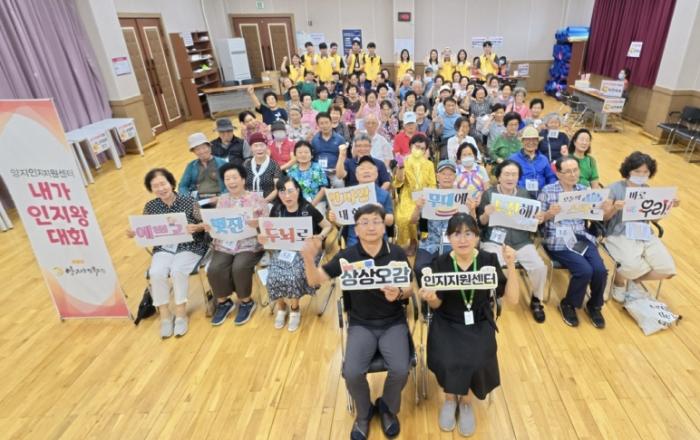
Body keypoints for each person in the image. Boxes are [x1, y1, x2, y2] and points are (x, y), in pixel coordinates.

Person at [302, 203, 414, 440]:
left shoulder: (397, 253)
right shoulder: (347, 256)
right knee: (351, 372)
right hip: (361, 324)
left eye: (376, 222)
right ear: (356, 229)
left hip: (393, 322)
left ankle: (387, 407)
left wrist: (400, 293)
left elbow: (410, 287)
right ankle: (364, 412)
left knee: (401, 369)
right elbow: (315, 280)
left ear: (384, 227)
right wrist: (308, 259)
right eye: (364, 222)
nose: (371, 227)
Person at [419, 213, 517, 436]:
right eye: (456, 234)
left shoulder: (488, 260)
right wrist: (431, 298)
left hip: (479, 321)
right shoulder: (440, 262)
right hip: (447, 321)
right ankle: (450, 399)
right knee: (447, 358)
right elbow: (436, 305)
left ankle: (465, 402)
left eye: (468, 233)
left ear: (477, 236)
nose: (462, 239)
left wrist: (511, 265)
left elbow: (513, 299)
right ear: (448, 237)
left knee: (476, 359)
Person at [127, 168, 208, 338]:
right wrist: (135, 232)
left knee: (178, 270)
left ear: (171, 183)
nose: (161, 188)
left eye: (163, 184)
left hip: (190, 245)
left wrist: (197, 227)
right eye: (155, 186)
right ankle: (165, 315)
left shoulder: (188, 201)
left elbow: (206, 224)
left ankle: (181, 313)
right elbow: (146, 229)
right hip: (164, 247)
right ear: (151, 189)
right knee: (156, 272)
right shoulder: (151, 206)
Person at [538, 157, 609, 328]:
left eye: (575, 170)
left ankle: (594, 305)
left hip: (581, 236)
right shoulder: (547, 191)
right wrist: (549, 214)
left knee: (600, 270)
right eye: (568, 171)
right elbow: (537, 219)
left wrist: (602, 209)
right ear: (558, 174)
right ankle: (568, 304)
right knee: (584, 270)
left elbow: (595, 215)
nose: (573, 174)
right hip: (558, 239)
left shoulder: (584, 190)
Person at [602, 151, 679, 302]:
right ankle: (619, 281)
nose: (641, 175)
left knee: (668, 269)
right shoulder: (614, 188)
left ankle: (635, 281)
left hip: (644, 232)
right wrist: (615, 208)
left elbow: (654, 218)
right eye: (637, 171)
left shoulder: (647, 190)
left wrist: (667, 206)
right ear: (628, 171)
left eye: (645, 172)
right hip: (620, 232)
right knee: (630, 266)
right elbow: (604, 218)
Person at [477, 160, 548, 322]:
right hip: (494, 241)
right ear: (499, 177)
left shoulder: (524, 194)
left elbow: (533, 221)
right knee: (490, 266)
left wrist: (539, 218)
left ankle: (536, 300)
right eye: (506, 174)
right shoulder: (489, 194)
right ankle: (491, 296)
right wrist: (486, 214)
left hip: (521, 241)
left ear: (518, 177)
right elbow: (481, 223)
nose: (510, 178)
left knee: (539, 267)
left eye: (514, 174)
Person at [263, 176, 332, 331]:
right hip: (283, 250)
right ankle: (281, 307)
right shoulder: (277, 210)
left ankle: (295, 309)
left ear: (298, 191)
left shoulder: (308, 209)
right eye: (282, 192)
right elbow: (270, 231)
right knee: (272, 275)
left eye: (290, 191)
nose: (287, 196)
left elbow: (328, 226)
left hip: (305, 251)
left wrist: (320, 236)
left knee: (293, 275)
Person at [206, 162, 268, 327]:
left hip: (250, 243)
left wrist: (258, 223)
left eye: (234, 177)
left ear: (243, 179)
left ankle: (246, 302)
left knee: (239, 267)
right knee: (214, 268)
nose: (231, 182)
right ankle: (223, 302)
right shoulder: (222, 200)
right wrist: (210, 226)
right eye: (227, 179)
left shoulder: (256, 198)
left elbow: (268, 223)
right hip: (226, 243)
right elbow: (218, 223)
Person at [412, 160, 462, 285]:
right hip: (431, 242)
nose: (447, 177)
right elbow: (413, 220)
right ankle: (427, 294)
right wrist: (417, 207)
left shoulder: (461, 196)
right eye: (443, 174)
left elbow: (471, 224)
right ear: (437, 176)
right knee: (419, 268)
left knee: (458, 269)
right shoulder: (427, 195)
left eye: (450, 174)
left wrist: (472, 210)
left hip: (456, 242)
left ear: (455, 177)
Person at [329, 156, 394, 247]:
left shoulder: (384, 194)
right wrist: (335, 219)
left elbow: (390, 221)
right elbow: (342, 224)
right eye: (362, 169)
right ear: (356, 175)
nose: (366, 171)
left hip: (378, 239)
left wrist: (381, 212)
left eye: (370, 168)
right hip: (354, 241)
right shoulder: (347, 194)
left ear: (376, 174)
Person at [394, 134, 436, 252]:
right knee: (404, 217)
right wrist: (401, 167)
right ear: (411, 146)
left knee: (426, 213)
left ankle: (422, 241)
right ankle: (410, 241)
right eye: (417, 147)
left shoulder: (429, 164)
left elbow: (433, 184)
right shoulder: (404, 161)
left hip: (425, 196)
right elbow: (399, 182)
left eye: (422, 148)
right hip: (408, 195)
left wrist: (427, 195)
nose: (419, 150)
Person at [508, 126, 557, 194]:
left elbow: (551, 177)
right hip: (520, 195)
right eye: (527, 140)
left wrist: (549, 191)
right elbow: (508, 178)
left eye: (534, 140)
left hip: (541, 195)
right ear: (522, 141)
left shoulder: (543, 159)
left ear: (538, 142)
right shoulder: (513, 159)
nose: (531, 142)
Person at [178, 132, 226, 202]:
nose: (202, 151)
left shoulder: (223, 163)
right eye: (197, 149)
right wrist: (190, 199)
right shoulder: (191, 166)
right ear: (194, 152)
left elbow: (231, 183)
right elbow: (182, 186)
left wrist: (222, 197)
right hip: (199, 202)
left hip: (220, 200)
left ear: (210, 147)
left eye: (204, 147)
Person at [285, 140, 329, 208]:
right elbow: (289, 190)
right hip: (297, 204)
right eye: (300, 152)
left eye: (306, 152)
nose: (303, 155)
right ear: (295, 155)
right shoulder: (292, 170)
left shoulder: (318, 168)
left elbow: (323, 189)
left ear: (311, 155)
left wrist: (311, 206)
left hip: (317, 203)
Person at [311, 112, 347, 186]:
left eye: (326, 122)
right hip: (318, 172)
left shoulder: (340, 139)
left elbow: (343, 157)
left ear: (331, 123)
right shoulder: (314, 140)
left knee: (339, 183)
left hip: (334, 173)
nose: (324, 126)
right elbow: (312, 157)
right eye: (321, 123)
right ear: (318, 125)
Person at [243, 132, 280, 203]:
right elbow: (241, 185)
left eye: (262, 145)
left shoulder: (274, 165)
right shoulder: (246, 164)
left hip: (269, 202)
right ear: (251, 148)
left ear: (267, 146)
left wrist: (264, 201)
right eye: (255, 146)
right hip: (249, 202)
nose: (259, 148)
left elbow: (277, 188)